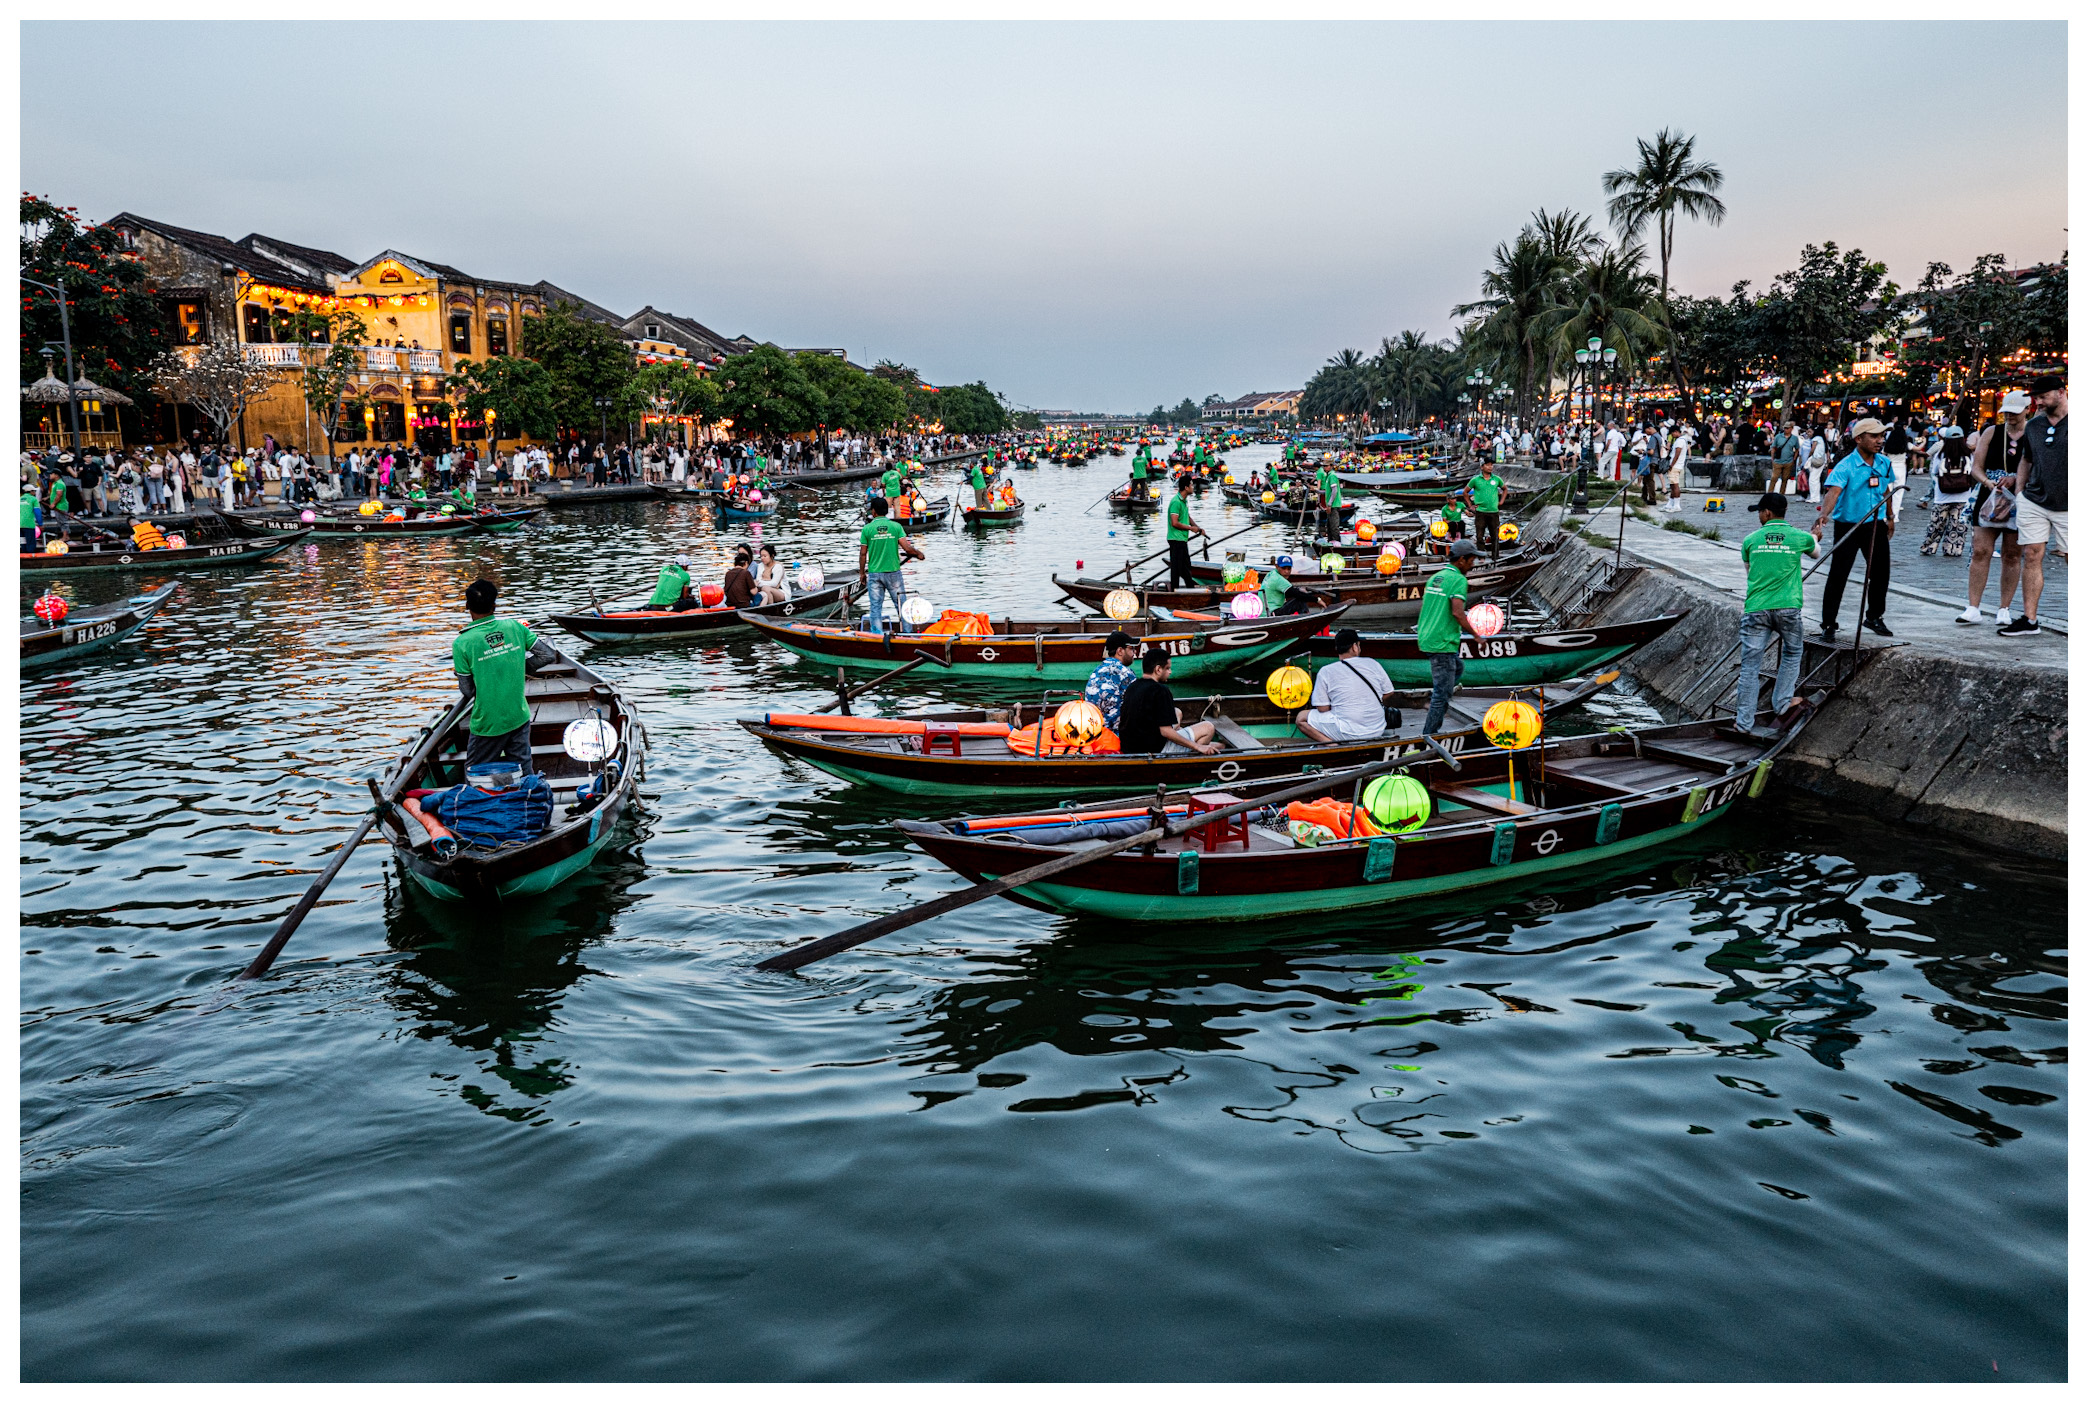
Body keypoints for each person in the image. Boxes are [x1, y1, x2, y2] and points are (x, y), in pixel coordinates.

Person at [1733, 492, 1818, 735]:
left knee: (1750, 666)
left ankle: (1743, 723)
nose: (1759, 516)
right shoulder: (1799, 537)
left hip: (1756, 609)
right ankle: (1782, 703)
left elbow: (1751, 572)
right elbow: (1816, 552)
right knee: (1792, 652)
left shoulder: (1750, 540)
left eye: (1760, 511)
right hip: (1788, 608)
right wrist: (1814, 536)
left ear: (1767, 513)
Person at [452, 578, 553, 773]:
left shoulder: (462, 643)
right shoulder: (515, 627)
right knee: (524, 771)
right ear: (494, 605)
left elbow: (467, 690)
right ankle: (529, 799)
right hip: (518, 716)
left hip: (488, 723)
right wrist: (519, 668)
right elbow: (547, 654)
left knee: (475, 773)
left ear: (467, 606)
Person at [1812, 416, 1897, 642]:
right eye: (1874, 436)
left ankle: (1874, 616)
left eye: (1882, 436)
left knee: (1881, 573)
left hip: (1875, 524)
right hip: (1848, 526)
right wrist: (1823, 516)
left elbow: (1886, 490)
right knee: (1838, 575)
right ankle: (1828, 622)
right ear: (1859, 439)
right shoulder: (1845, 465)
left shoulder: (1883, 463)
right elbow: (1834, 493)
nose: (1880, 440)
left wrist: (1890, 517)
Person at [2005, 375, 2067, 637]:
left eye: (2043, 397)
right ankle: (2030, 619)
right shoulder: (2034, 426)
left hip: (2070, 504)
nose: (2038, 403)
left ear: (2062, 392)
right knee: (2032, 554)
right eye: (2036, 398)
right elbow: (2026, 460)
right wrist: (2019, 491)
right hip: (2034, 500)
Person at [1961, 390, 2030, 626]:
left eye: (2014, 411)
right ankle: (1973, 606)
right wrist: (1988, 482)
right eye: (2006, 412)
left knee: (2012, 554)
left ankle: (2004, 608)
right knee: (1981, 550)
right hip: (1990, 495)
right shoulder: (1992, 432)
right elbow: (1976, 467)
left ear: (2026, 410)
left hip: (2020, 497)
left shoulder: (2033, 433)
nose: (2010, 416)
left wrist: (2018, 480)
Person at [1418, 539, 1479, 735]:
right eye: (1471, 560)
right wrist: (1477, 636)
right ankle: (1429, 735)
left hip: (1427, 637)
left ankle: (1437, 697)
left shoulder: (1436, 577)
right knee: (1442, 694)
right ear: (1461, 560)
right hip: (1442, 642)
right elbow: (1458, 613)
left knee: (1458, 667)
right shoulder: (1459, 580)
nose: (1473, 564)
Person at [1115, 648, 1220, 756]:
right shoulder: (1161, 690)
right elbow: (1165, 731)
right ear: (1158, 669)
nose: (1170, 672)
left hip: (1130, 747)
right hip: (1154, 751)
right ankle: (1190, 759)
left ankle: (1201, 744)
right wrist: (1198, 746)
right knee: (1208, 727)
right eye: (1168, 668)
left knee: (1177, 712)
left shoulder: (1133, 687)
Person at [1296, 628, 1395, 743]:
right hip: (1377, 729)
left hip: (1348, 732)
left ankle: (1330, 744)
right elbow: (1389, 692)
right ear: (1354, 647)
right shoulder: (1373, 663)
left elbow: (1322, 708)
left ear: (1337, 649)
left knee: (1301, 718)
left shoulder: (1326, 671)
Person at [858, 496, 924, 629]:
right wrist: (918, 553)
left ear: (874, 512)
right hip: (893, 572)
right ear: (887, 511)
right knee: (901, 605)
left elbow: (863, 554)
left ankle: (877, 635)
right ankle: (907, 634)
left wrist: (861, 573)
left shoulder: (867, 529)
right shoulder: (895, 526)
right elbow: (907, 548)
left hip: (875, 573)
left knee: (875, 607)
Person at [1919, 427, 1975, 559]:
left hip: (1942, 496)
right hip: (1963, 495)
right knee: (1957, 525)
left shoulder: (1941, 455)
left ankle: (1929, 547)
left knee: (1936, 524)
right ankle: (1953, 549)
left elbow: (1934, 472)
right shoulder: (1968, 455)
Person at [1083, 631, 1139, 732]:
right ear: (1120, 651)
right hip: (1117, 733)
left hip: (1094, 731)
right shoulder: (1125, 673)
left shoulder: (1097, 670)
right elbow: (1139, 703)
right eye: (1131, 648)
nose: (1134, 652)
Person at [1165, 476, 1205, 588]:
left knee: (1185, 567)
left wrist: (1198, 528)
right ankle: (1175, 592)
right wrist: (1190, 528)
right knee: (1176, 569)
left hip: (1182, 538)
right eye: (1191, 485)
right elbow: (1174, 522)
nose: (1193, 487)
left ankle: (1190, 589)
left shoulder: (1184, 501)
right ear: (1186, 487)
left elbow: (1186, 516)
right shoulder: (1176, 502)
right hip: (1175, 538)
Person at [1468, 462, 1503, 551]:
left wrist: (1501, 501)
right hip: (1480, 511)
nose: (1490, 467)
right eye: (1487, 465)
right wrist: (1470, 505)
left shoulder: (1497, 479)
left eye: (1491, 465)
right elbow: (1465, 492)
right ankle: (1481, 556)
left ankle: (1495, 555)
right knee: (1480, 536)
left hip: (1494, 511)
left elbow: (1505, 489)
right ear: (1482, 467)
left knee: (1495, 535)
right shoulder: (1475, 480)